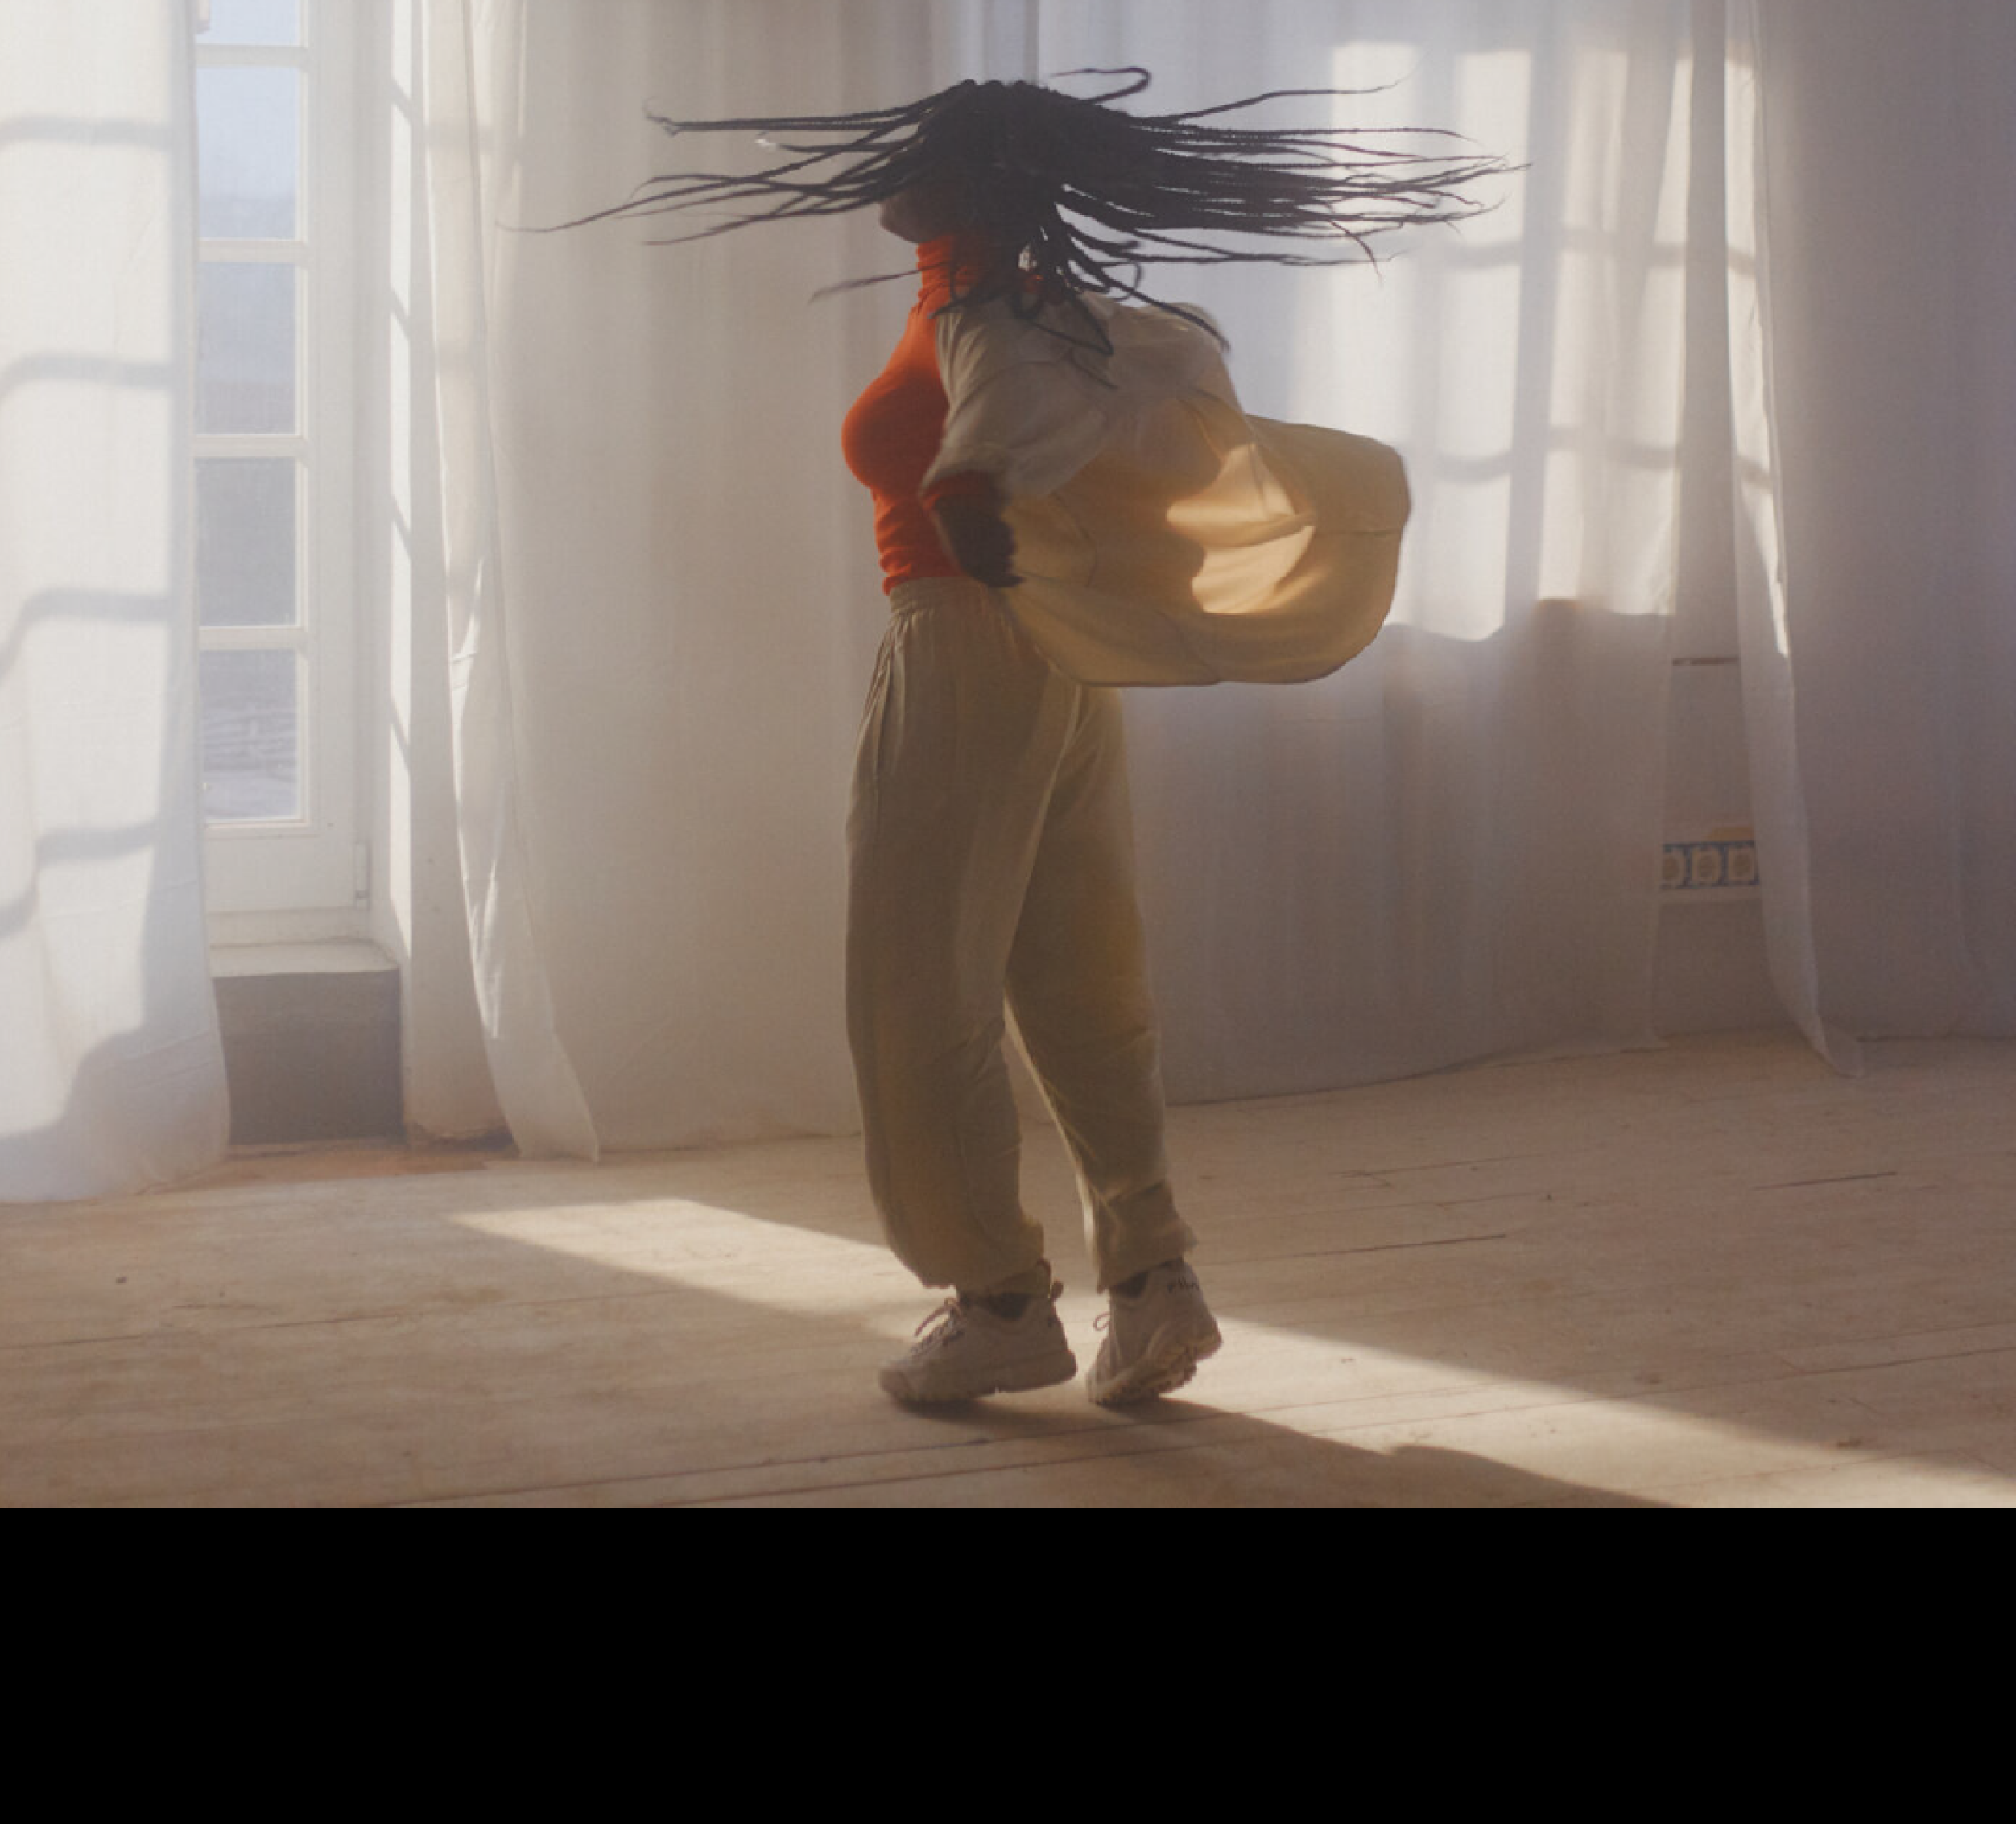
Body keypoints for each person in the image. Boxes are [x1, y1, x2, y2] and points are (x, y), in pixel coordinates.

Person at [545, 72, 1506, 1414]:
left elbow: (1006, 411)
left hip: (959, 642)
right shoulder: (1031, 300)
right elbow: (1094, 397)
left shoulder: (987, 296)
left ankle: (996, 1301)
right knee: (1079, 979)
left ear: (974, 181)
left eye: (921, 155)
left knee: (917, 984)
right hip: (1055, 662)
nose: (891, 175)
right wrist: (995, 479)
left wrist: (975, 487)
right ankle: (1154, 1282)